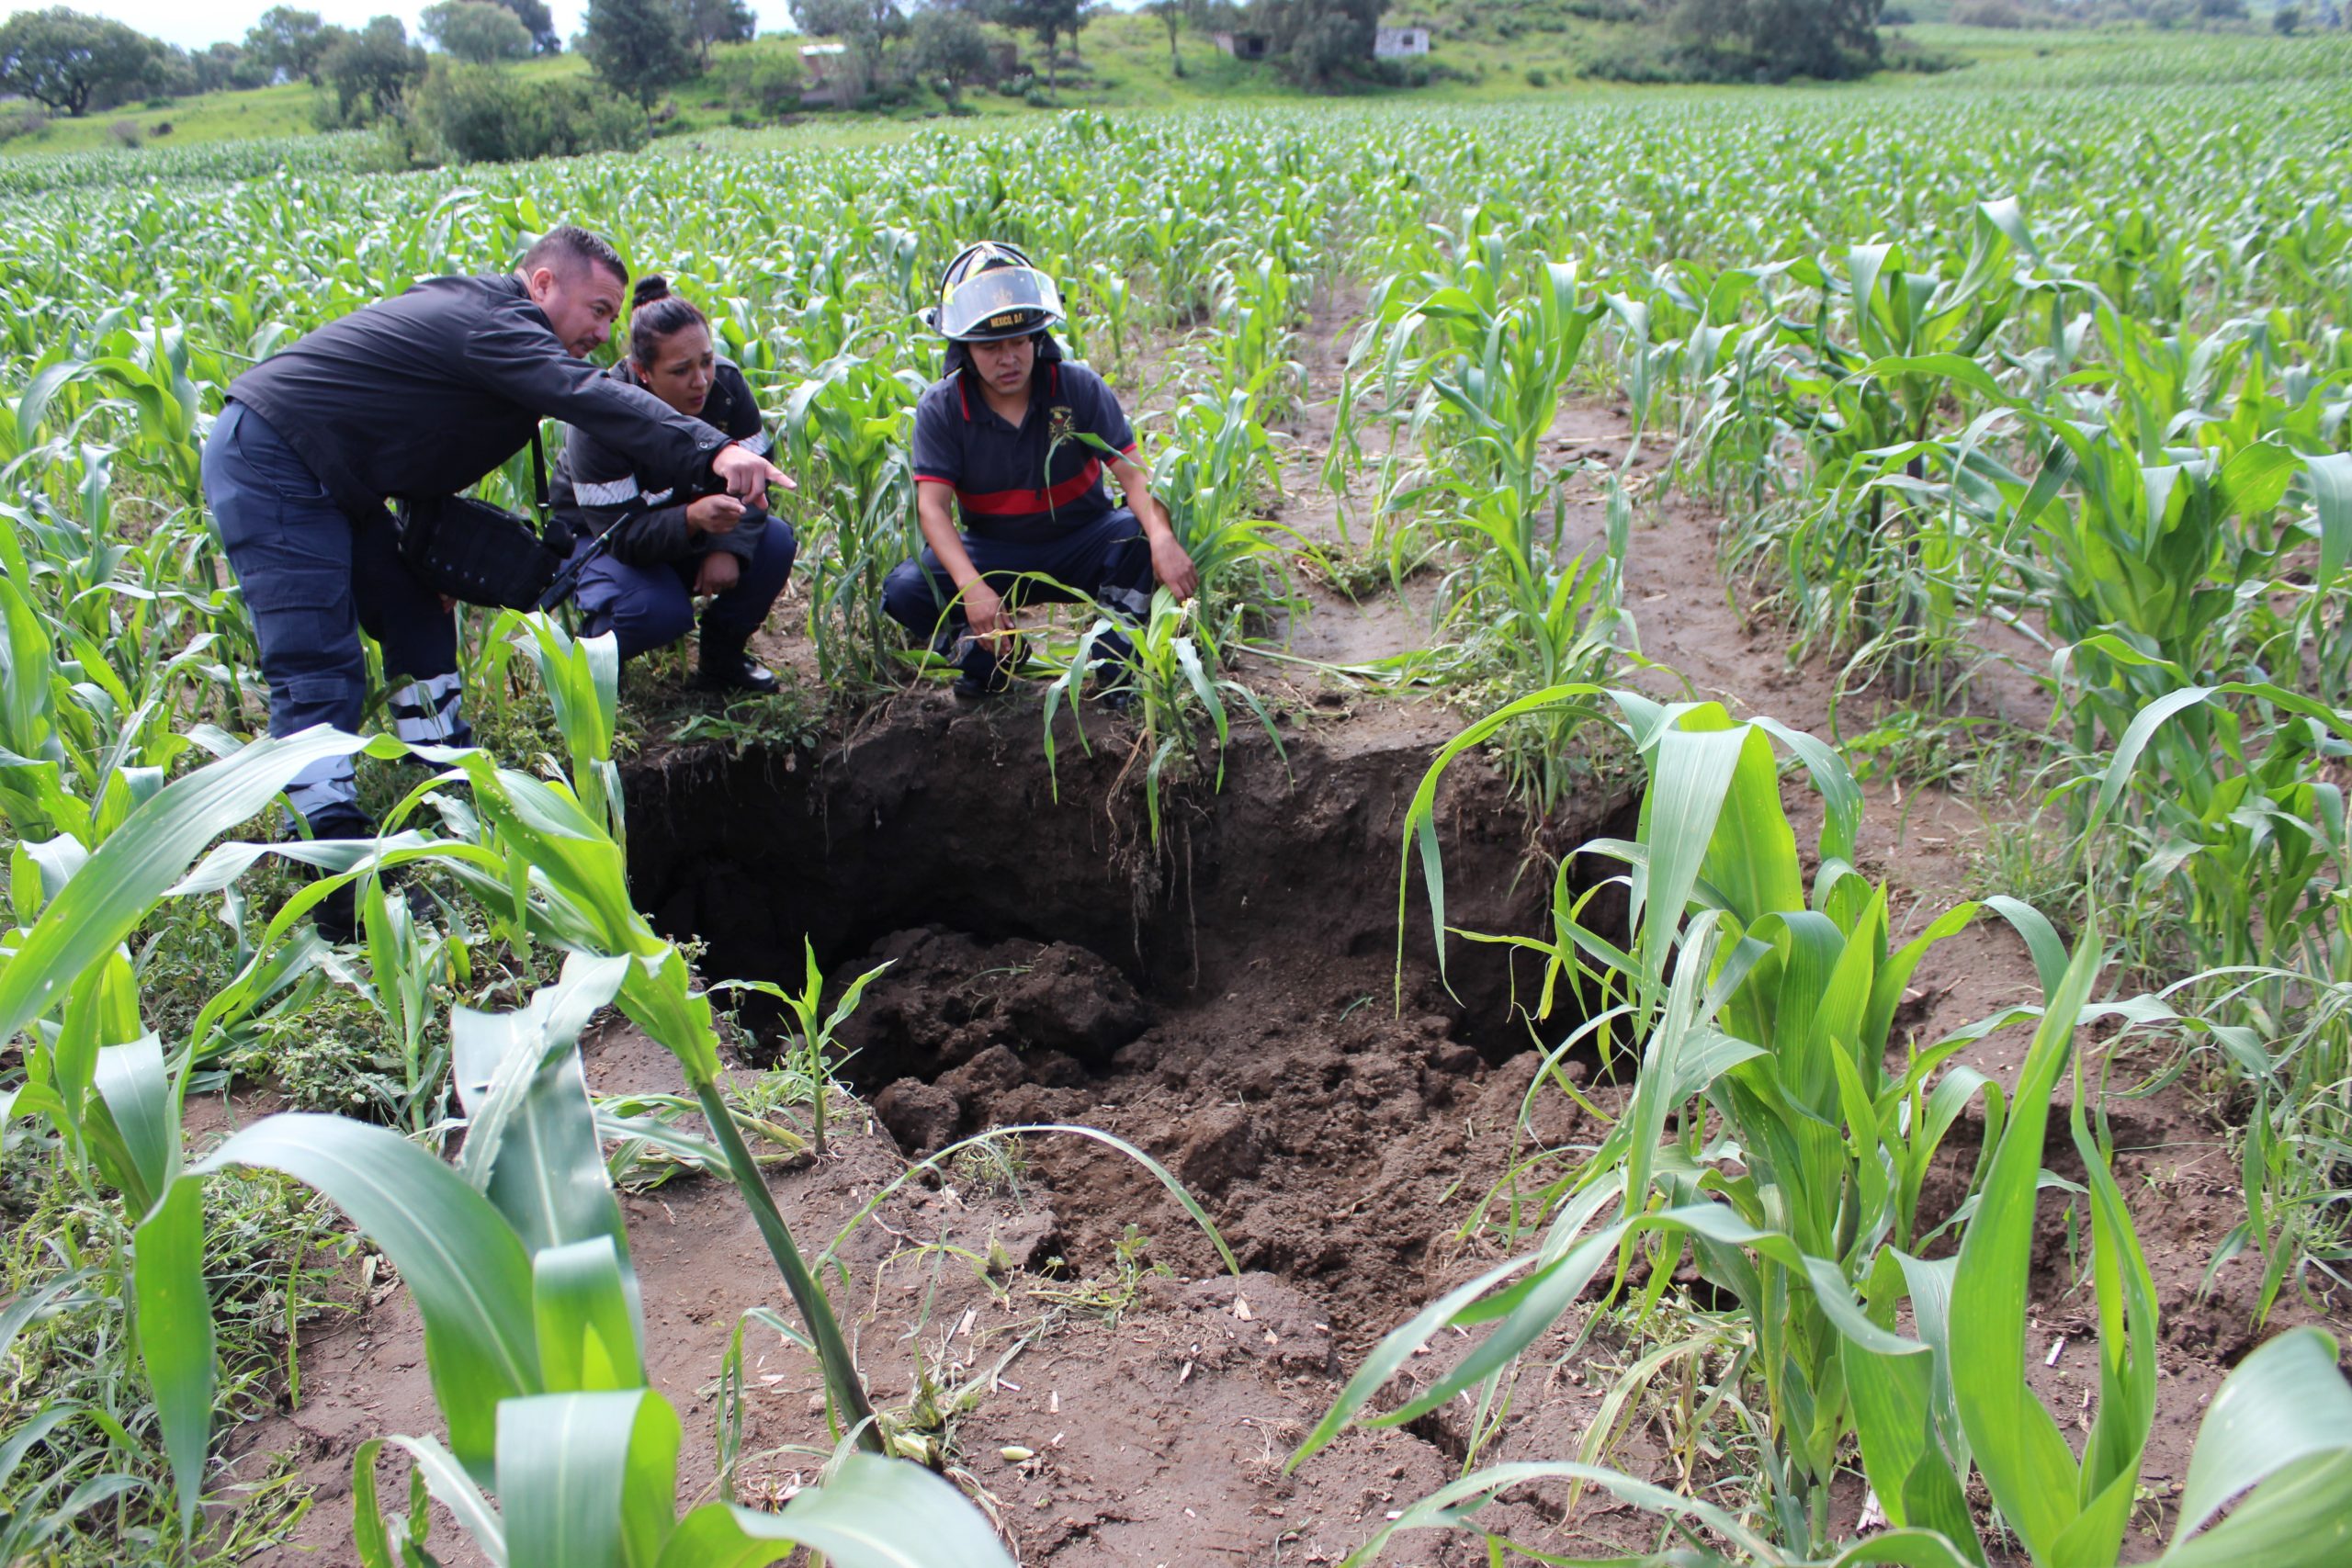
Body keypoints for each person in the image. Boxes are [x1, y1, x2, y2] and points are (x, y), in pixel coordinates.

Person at [200, 224, 784, 934]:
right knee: (318, 665)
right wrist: (711, 449)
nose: (604, 332)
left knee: (417, 614)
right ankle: (335, 880)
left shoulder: (497, 334)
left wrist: (425, 541)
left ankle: (447, 787)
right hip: (275, 458)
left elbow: (417, 432)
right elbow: (586, 396)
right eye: (598, 309)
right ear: (542, 285)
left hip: (340, 471)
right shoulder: (497, 323)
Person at [881, 241, 1197, 701]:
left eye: (1017, 342)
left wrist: (1164, 539)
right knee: (908, 589)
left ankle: (1115, 663)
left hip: (1082, 541)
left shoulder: (1078, 388)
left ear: (1037, 338)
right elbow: (933, 511)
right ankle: (993, 663)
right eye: (990, 347)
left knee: (1138, 534)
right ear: (964, 349)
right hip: (994, 553)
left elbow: (1134, 477)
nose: (1007, 359)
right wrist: (973, 588)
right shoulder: (943, 408)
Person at [548, 276, 796, 692]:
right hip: (599, 540)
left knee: (775, 543)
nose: (700, 381)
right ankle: (595, 674)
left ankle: (722, 663)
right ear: (643, 372)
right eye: (681, 371)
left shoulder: (728, 391)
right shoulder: (600, 419)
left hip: (684, 526)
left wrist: (726, 547)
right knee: (656, 610)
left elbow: (756, 487)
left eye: (706, 361)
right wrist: (693, 519)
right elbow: (620, 536)